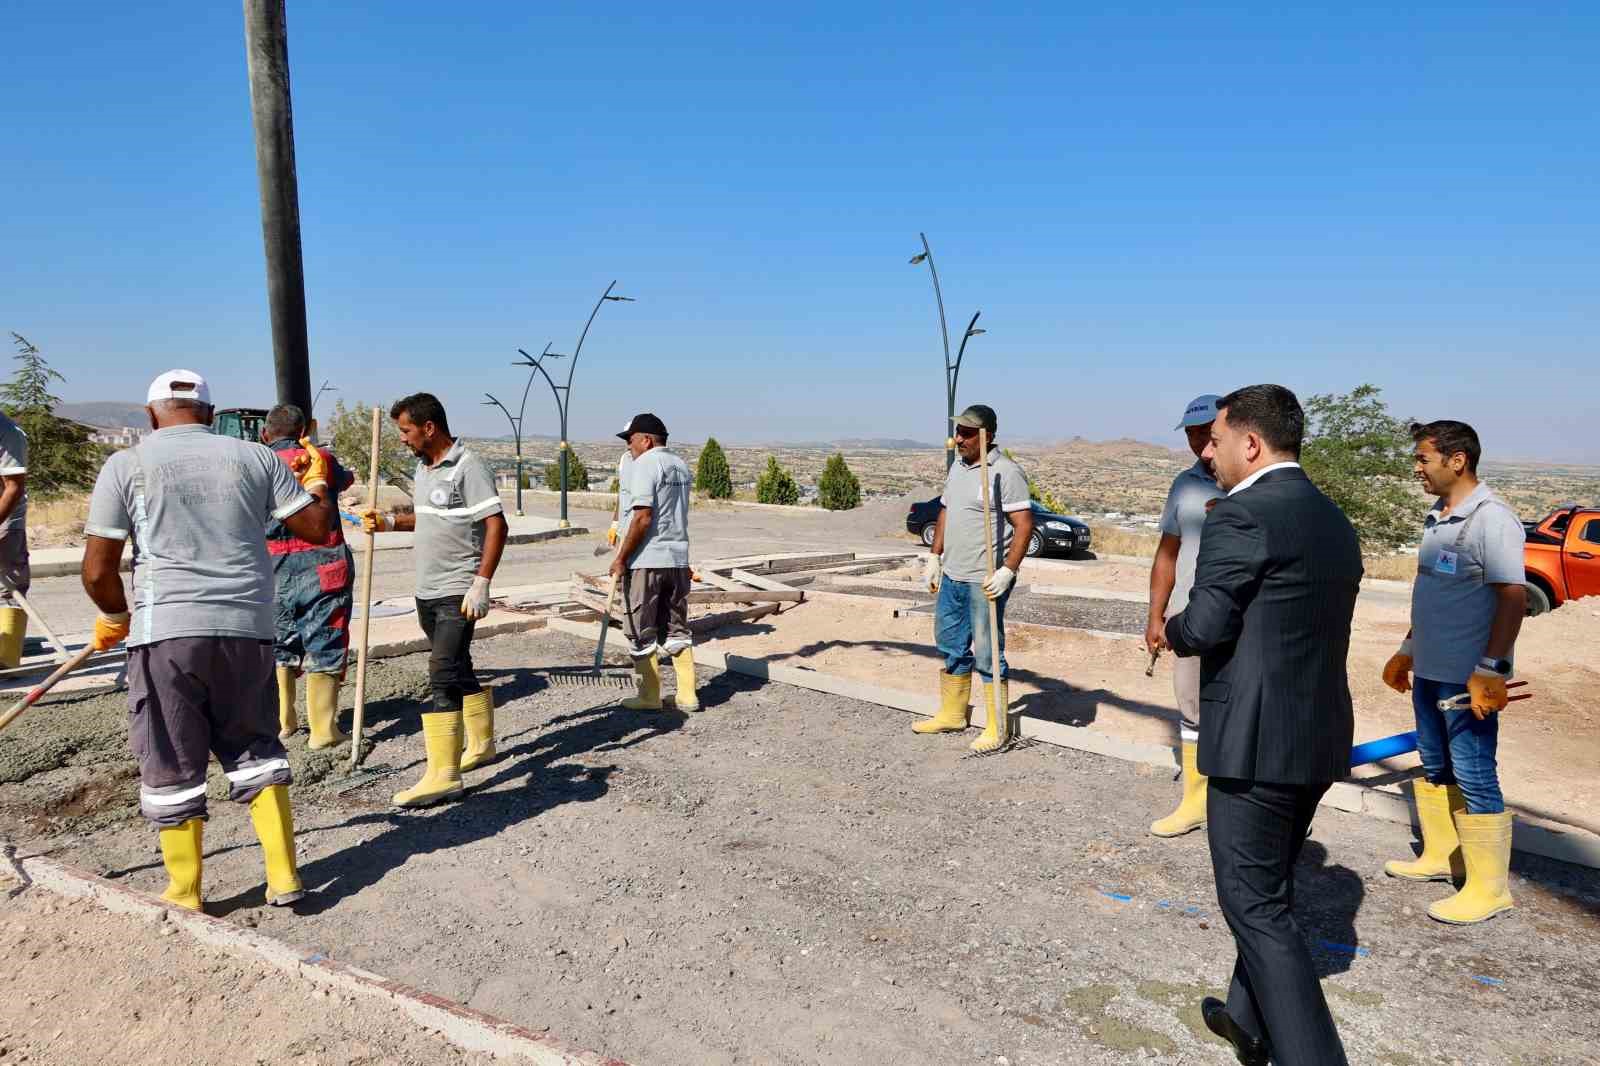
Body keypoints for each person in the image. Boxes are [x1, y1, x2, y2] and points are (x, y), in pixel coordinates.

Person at [80, 369, 335, 911]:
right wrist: (316, 481)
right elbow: (316, 529)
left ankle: (186, 892)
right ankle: (285, 876)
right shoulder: (258, 457)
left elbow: (98, 569)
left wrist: (114, 614)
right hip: (247, 629)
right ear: (210, 412)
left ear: (151, 414)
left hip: (166, 633)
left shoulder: (126, 464)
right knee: (256, 747)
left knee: (172, 759)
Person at [1165, 384, 1358, 1066]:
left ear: (1251, 443)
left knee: (1255, 908)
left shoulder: (1242, 514)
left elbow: (1207, 622)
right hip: (1315, 735)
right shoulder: (1332, 517)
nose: (1207, 453)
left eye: (1216, 441)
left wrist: (1171, 628)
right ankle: (1246, 1019)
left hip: (1254, 745)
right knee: (1270, 888)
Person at [1380, 420, 1525, 924]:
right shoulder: (1437, 518)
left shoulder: (1492, 519)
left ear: (1457, 460)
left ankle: (1489, 889)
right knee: (1437, 765)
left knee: (1475, 772)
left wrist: (1492, 669)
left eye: (1424, 459)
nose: (1417, 468)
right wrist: (1407, 650)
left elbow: (1513, 596)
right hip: (1431, 671)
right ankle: (1444, 857)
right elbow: (1433, 596)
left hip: (1467, 677)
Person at [361, 393, 508, 807]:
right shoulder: (424, 469)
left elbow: (496, 525)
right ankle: (482, 745)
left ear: (429, 427)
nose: (402, 439)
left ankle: (444, 775)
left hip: (457, 591)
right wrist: (390, 522)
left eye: (406, 431)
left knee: (441, 673)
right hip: (426, 591)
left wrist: (481, 583)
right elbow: (430, 518)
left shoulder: (468, 466)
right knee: (459, 667)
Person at [913, 404, 1034, 753]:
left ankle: (997, 727)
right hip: (952, 575)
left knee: (988, 652)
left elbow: (1024, 525)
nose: (958, 438)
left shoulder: (1005, 472)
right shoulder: (958, 468)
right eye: (958, 431)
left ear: (988, 435)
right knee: (950, 644)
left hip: (984, 580)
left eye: (967, 432)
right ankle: (953, 714)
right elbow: (946, 510)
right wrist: (934, 557)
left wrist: (1007, 570)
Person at [1146, 394, 1227, 837]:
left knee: (1245, 710)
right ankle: (1196, 802)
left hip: (1245, 623)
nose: (1199, 442)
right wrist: (1156, 616)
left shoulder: (1252, 481)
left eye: (1207, 431)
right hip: (1191, 621)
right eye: (1192, 433)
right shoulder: (1185, 485)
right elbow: (1167, 555)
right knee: (1193, 708)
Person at [261, 404, 356, 749]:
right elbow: (346, 480)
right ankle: (323, 732)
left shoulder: (258, 464)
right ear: (304, 431)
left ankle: (283, 721)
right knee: (325, 641)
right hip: (322, 564)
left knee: (279, 643)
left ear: (264, 434)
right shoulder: (321, 459)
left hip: (271, 567)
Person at [608, 413, 698, 712]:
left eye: (631, 440)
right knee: (677, 627)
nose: (630, 448)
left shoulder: (645, 464)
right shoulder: (680, 466)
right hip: (677, 559)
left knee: (639, 628)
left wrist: (621, 557)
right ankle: (688, 695)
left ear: (646, 440)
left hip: (647, 560)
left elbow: (642, 517)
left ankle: (649, 696)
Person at [0, 409, 30, 668]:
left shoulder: (7, 433)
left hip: (5, 519)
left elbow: (14, 486)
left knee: (8, 588)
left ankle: (6, 660)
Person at [608, 420, 635, 550]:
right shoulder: (625, 458)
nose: (628, 445)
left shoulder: (651, 462)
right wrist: (614, 524)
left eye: (630, 440)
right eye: (626, 440)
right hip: (623, 529)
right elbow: (622, 492)